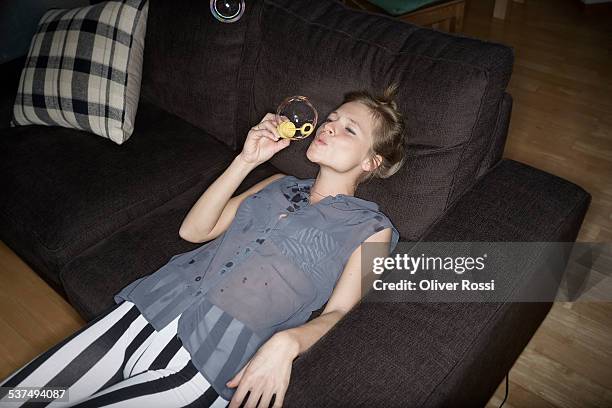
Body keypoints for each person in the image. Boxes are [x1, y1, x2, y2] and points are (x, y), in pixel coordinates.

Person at [0, 83, 406, 408]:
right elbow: (194, 231)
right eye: (331, 118)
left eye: (349, 128)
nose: (329, 126)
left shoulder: (374, 229)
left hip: (212, 361)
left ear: (371, 161)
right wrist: (246, 160)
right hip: (149, 309)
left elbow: (341, 312)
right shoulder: (279, 184)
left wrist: (288, 343)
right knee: (21, 395)